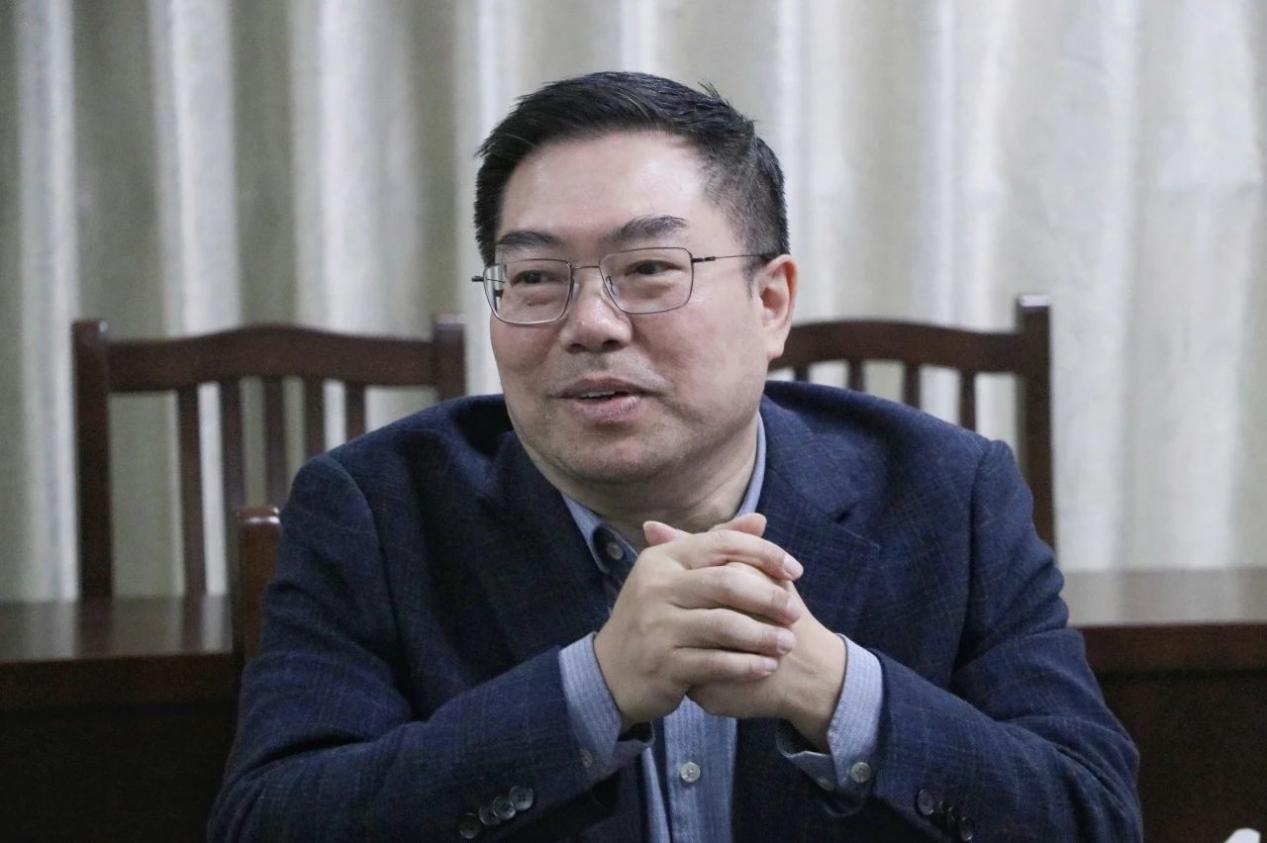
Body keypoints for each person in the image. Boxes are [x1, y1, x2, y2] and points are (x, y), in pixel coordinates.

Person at [209, 71, 1140, 841]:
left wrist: (835, 689)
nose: (590, 323)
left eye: (649, 269)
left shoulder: (948, 493)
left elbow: (1091, 814)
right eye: (534, 277)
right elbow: (267, 821)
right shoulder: (374, 510)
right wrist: (589, 691)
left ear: (771, 303)